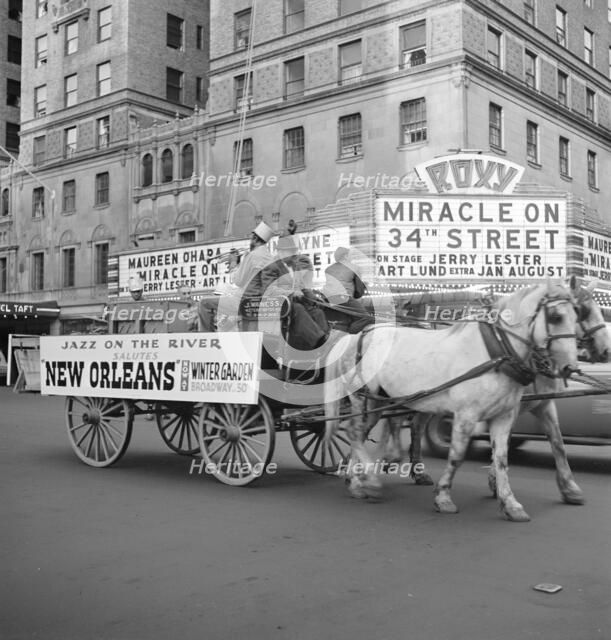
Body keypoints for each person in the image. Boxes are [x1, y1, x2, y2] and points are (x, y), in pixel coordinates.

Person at [198, 221, 275, 331]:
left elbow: (238, 281)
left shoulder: (252, 255)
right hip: (257, 302)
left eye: (251, 238)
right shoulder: (269, 257)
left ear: (255, 239)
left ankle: (207, 339)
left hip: (244, 301)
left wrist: (234, 263)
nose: (250, 241)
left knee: (203, 303)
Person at [266, 233, 328, 350]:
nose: (293, 255)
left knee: (317, 311)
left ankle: (325, 342)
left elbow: (302, 286)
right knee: (298, 309)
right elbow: (270, 289)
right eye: (290, 252)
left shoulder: (294, 265)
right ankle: (319, 341)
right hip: (278, 304)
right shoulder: (271, 266)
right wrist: (291, 293)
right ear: (281, 252)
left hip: (293, 302)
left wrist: (315, 299)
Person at [323, 247, 373, 333]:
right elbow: (359, 292)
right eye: (351, 255)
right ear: (345, 256)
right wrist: (364, 286)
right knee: (366, 318)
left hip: (328, 299)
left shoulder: (328, 269)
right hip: (343, 298)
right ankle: (349, 336)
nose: (352, 258)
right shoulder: (354, 268)